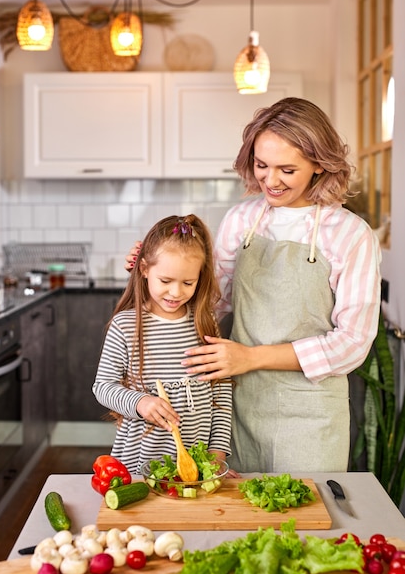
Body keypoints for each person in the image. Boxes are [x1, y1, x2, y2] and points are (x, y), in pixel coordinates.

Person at [126, 97, 382, 475]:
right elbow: (211, 305)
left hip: (310, 416)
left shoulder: (350, 234)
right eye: (261, 165)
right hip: (236, 407)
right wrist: (155, 276)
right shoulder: (242, 220)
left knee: (303, 525)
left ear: (319, 165)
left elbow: (352, 344)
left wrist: (250, 358)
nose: (271, 180)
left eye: (287, 169)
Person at [93, 214, 235, 476]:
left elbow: (221, 394)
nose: (176, 292)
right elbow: (103, 387)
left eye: (188, 283)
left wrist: (217, 453)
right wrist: (141, 402)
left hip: (198, 461)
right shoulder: (126, 325)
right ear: (144, 269)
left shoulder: (205, 322)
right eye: (166, 281)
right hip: (138, 464)